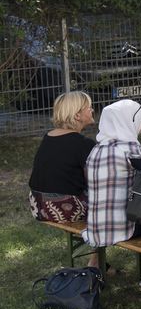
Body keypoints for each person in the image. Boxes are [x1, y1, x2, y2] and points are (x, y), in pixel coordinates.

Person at [82, 99, 141, 288]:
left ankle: (94, 262)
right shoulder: (129, 150)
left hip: (96, 224)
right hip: (121, 227)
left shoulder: (97, 148)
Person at [28, 92, 100, 263]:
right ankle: (95, 262)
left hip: (38, 205)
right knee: (108, 203)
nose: (92, 110)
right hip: (63, 208)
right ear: (77, 115)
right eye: (88, 107)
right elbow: (94, 182)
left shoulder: (49, 137)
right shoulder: (84, 144)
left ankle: (99, 259)